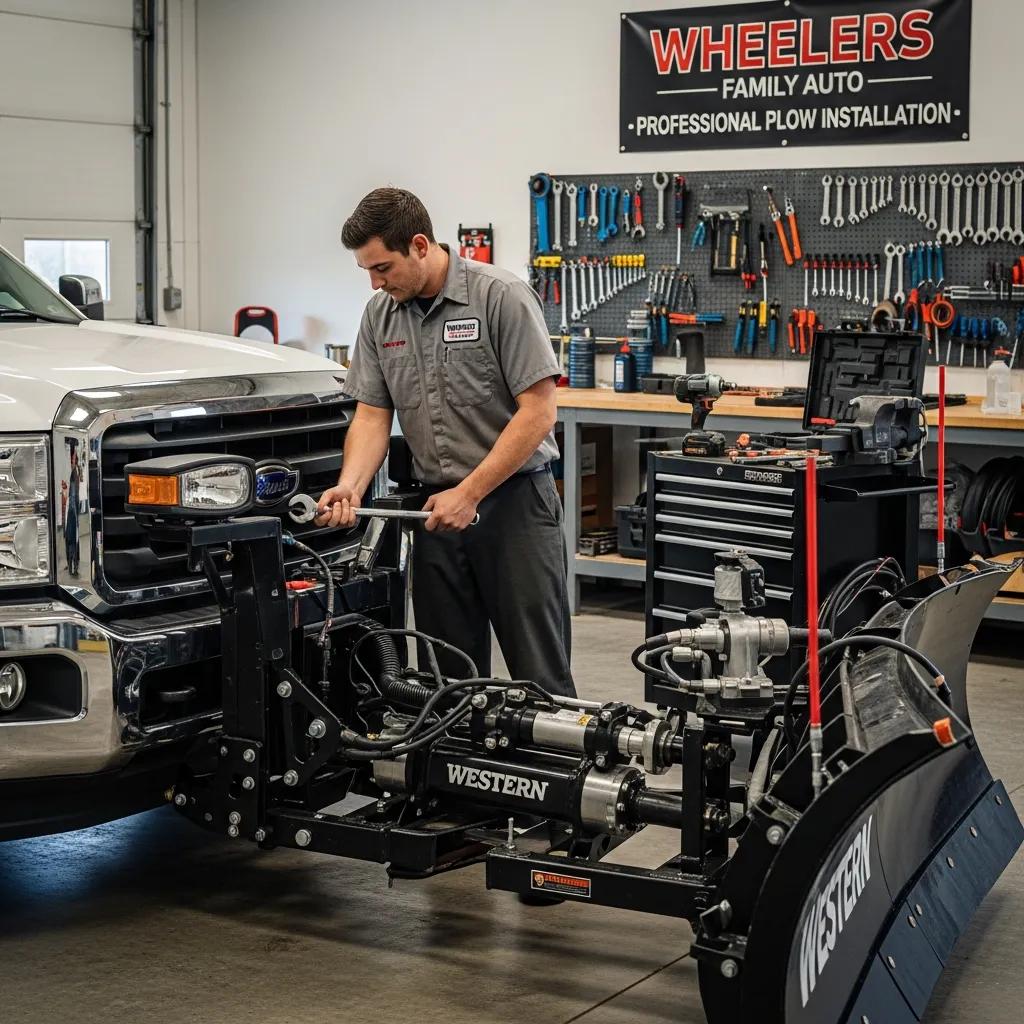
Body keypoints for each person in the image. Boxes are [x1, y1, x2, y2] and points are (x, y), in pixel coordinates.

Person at [316, 187, 575, 697]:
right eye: (367, 271)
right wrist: (350, 486)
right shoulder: (380, 315)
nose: (375, 282)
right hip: (435, 512)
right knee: (445, 680)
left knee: (539, 673)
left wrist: (472, 492)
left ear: (418, 245)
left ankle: (558, 769)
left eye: (383, 267)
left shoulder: (499, 296)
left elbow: (540, 411)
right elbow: (371, 414)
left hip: (514, 507)